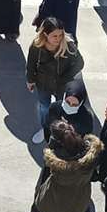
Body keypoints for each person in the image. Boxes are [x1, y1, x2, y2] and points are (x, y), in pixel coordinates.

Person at [36, 120, 102, 212]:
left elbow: (47, 171)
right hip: (78, 200)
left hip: (54, 201)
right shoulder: (89, 154)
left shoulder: (56, 161)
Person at [24, 16, 85, 145]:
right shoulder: (36, 46)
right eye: (54, 36)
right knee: (44, 107)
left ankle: (60, 131)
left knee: (61, 108)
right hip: (43, 84)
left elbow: (79, 63)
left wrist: (66, 78)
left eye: (61, 35)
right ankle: (45, 129)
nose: (58, 39)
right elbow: (30, 65)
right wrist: (30, 80)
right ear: (45, 34)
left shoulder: (68, 45)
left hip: (62, 86)